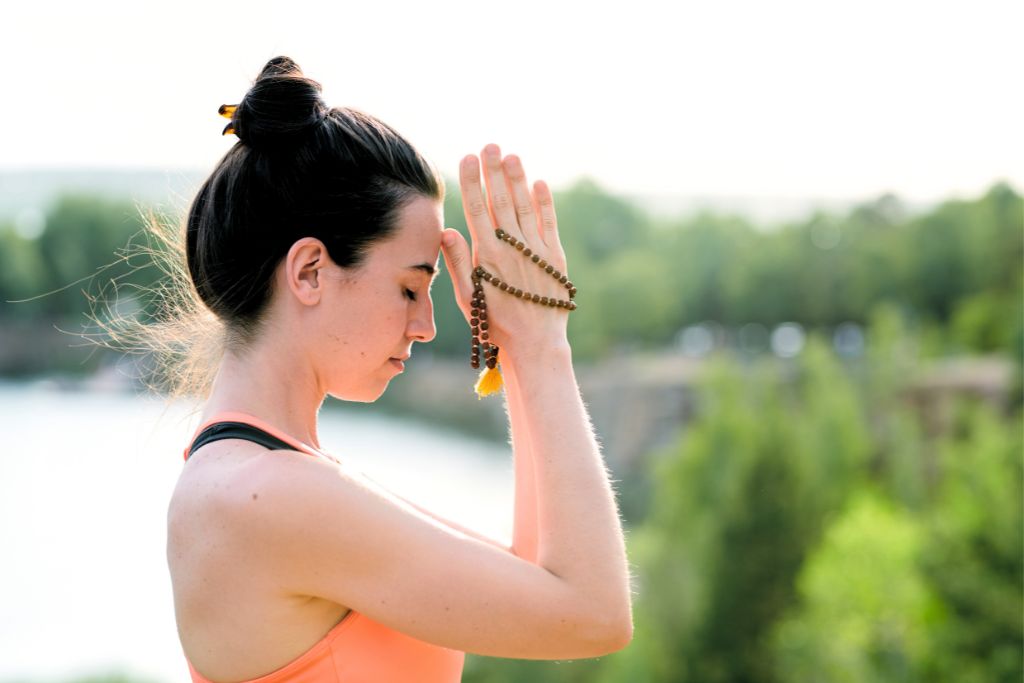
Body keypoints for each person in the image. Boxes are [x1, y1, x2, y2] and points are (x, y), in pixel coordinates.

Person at [165, 56, 633, 683]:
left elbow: (537, 574)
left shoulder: (258, 479)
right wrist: (545, 347)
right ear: (309, 272)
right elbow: (593, 614)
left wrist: (518, 353)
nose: (426, 325)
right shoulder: (271, 497)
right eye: (411, 289)